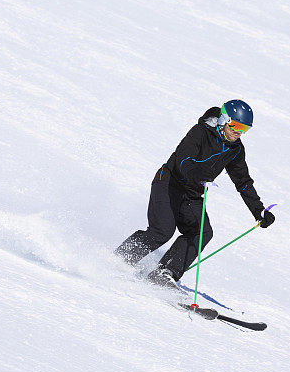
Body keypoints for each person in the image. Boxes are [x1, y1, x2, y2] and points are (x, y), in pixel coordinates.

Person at [115, 99, 275, 288]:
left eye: (244, 129)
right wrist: (198, 175)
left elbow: (243, 182)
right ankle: (121, 258)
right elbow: (183, 160)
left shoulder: (236, 149)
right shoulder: (200, 132)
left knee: (202, 233)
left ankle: (165, 272)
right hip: (169, 183)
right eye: (236, 125)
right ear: (224, 119)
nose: (238, 132)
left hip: (192, 194)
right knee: (162, 231)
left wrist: (259, 211)